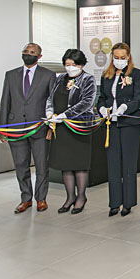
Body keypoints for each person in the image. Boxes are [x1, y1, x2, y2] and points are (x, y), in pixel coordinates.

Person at [0, 43, 56, 214]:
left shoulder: (49, 75)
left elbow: (52, 102)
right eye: (25, 51)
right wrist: (2, 128)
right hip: (16, 128)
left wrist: (51, 127)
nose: (27, 54)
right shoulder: (11, 75)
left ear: (39, 56)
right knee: (21, 165)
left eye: (32, 52)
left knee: (41, 166)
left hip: (39, 128)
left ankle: (41, 199)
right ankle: (25, 199)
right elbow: (5, 102)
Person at [46, 49, 97, 214]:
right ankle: (69, 197)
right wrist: (49, 113)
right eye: (67, 64)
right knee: (65, 164)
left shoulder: (88, 79)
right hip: (60, 128)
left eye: (73, 64)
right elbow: (50, 98)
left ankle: (81, 197)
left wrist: (65, 115)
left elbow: (87, 102)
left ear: (81, 65)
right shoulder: (59, 78)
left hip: (78, 127)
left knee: (79, 165)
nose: (70, 68)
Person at [97, 43, 140, 217]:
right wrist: (102, 109)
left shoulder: (136, 74)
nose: (119, 61)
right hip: (111, 125)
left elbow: (138, 97)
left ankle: (128, 203)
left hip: (129, 123)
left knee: (129, 164)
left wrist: (124, 107)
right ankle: (114, 203)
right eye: (116, 57)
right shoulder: (106, 75)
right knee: (113, 164)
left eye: (122, 58)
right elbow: (102, 97)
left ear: (129, 57)